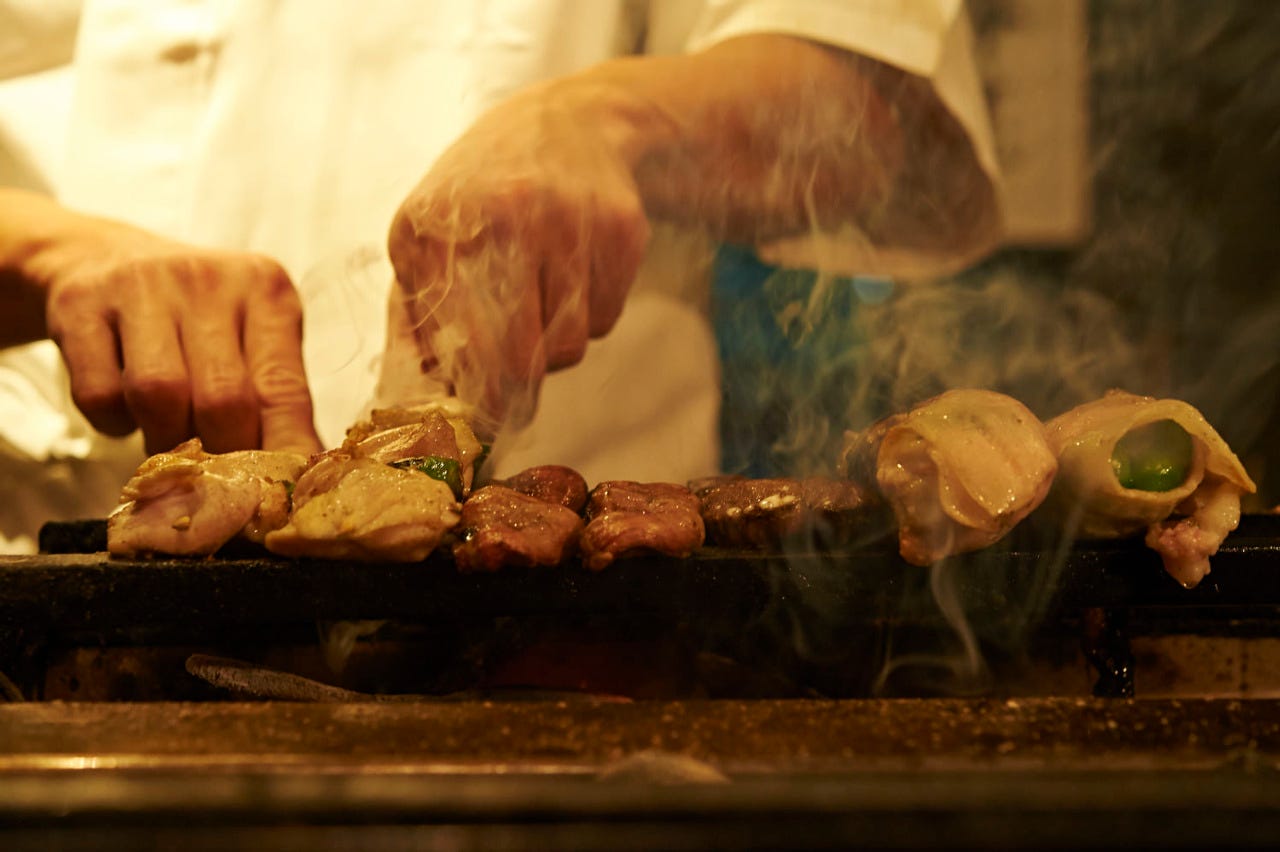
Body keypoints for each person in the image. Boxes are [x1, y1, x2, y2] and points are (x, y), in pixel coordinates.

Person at [0, 0, 1002, 552]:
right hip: (68, 608)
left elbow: (867, 86)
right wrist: (47, 250)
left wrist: (612, 118)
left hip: (566, 618)